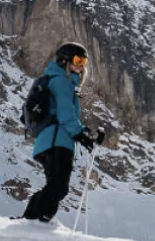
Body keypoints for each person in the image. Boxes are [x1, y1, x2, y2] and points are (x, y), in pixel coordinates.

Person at [20, 41, 104, 223]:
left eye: (84, 62)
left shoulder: (59, 81)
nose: (81, 66)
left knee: (54, 185)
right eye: (77, 60)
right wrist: (81, 134)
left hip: (49, 141)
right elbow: (65, 115)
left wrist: (84, 135)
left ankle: (29, 220)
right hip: (57, 140)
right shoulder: (61, 82)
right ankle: (38, 220)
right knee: (59, 187)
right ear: (64, 61)